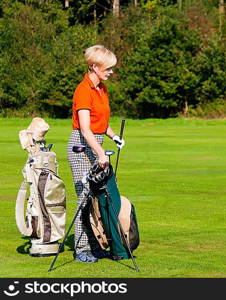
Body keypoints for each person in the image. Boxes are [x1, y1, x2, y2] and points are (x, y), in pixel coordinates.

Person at [67, 45, 125, 263]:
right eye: (107, 68)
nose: (111, 72)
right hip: (81, 148)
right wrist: (101, 153)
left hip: (96, 143)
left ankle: (95, 245)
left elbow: (101, 122)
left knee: (99, 199)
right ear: (94, 66)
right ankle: (82, 249)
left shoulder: (102, 89)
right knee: (84, 198)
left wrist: (113, 136)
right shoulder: (83, 90)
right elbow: (84, 129)